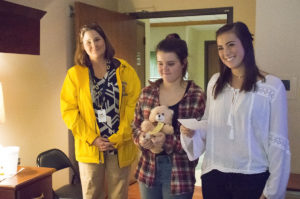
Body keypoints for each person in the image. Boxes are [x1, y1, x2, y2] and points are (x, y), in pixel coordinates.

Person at [180, 21, 291, 199]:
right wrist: (193, 131)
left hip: (253, 176)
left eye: (231, 44)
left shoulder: (271, 87)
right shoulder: (215, 82)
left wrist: (272, 191)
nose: (225, 53)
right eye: (220, 47)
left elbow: (278, 142)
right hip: (214, 175)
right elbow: (210, 123)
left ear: (246, 43)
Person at [60, 23, 141, 199]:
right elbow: (69, 112)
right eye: (87, 42)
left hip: (119, 144)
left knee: (118, 194)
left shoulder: (124, 69)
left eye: (97, 39)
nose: (93, 45)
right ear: (82, 46)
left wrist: (120, 136)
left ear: (104, 40)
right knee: (92, 194)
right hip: (90, 146)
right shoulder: (75, 75)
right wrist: (93, 138)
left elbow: (134, 106)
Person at [132, 33, 206, 199]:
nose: (164, 69)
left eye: (171, 64)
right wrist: (142, 138)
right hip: (148, 170)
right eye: (160, 63)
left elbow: (198, 142)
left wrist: (167, 141)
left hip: (180, 172)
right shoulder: (147, 93)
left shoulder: (196, 95)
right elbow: (135, 127)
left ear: (183, 63)